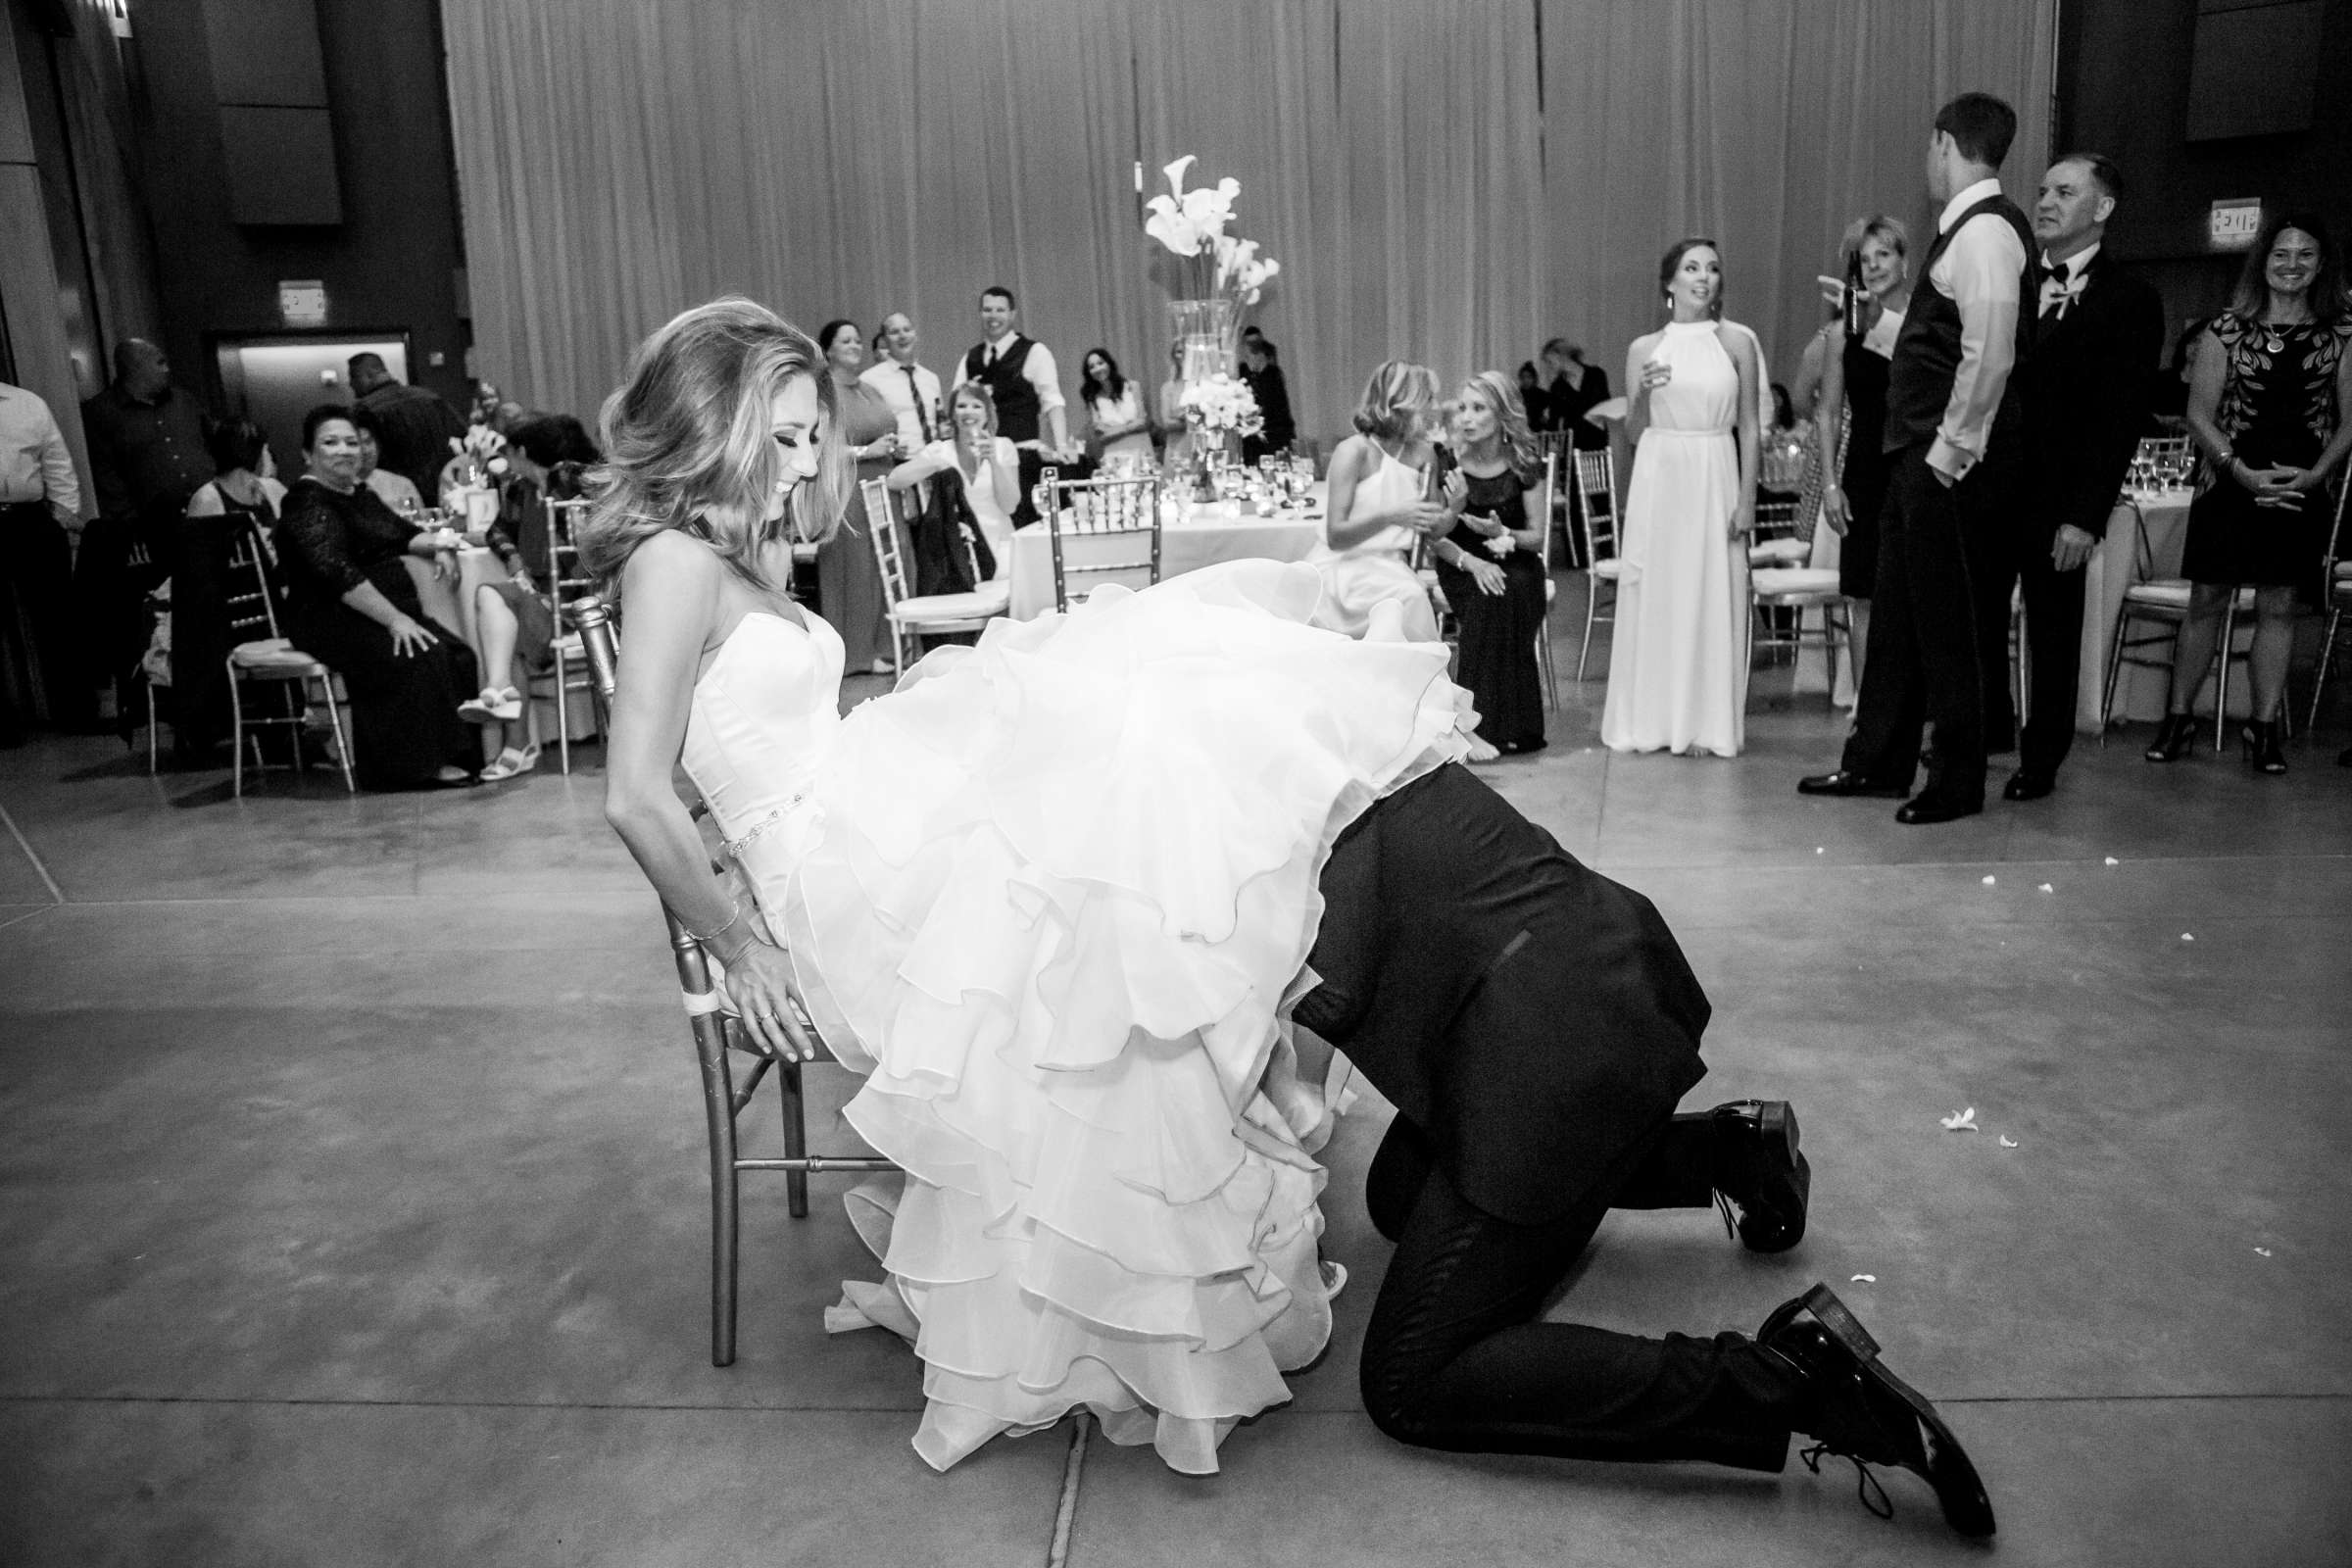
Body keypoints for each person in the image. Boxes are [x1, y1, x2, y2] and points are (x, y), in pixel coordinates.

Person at [586, 297, 1462, 1475]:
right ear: (708, 429)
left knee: (1110, 758)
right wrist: (739, 943)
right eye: (781, 439)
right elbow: (637, 793)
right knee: (1083, 872)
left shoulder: (735, 547)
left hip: (860, 818)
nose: (804, 466)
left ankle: (1248, 1078)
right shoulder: (672, 562)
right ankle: (1208, 1150)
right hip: (830, 896)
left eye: (810, 438)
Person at [1298, 759, 1994, 1540]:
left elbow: (1279, 1091)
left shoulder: (1221, 856)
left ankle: (1789, 1380)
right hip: (1598, 959)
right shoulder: (1336, 737)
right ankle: (1730, 1154)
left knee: (1409, 1381)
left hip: (1545, 1056)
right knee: (1397, 1197)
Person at [1801, 93, 2033, 823]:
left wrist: (1948, 452)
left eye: (1929, 149)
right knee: (1899, 617)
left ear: (1944, 143)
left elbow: (1989, 354)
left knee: (1947, 627)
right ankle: (1877, 762)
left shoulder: (1986, 232)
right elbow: (1938, 345)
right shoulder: (1963, 231)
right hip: (1916, 460)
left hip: (1946, 464)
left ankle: (1958, 781)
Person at [2149, 213, 2352, 775]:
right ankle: (2179, 718)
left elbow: (2350, 423)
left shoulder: (2342, 334)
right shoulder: (2226, 329)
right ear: (2262, 262)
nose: (2291, 264)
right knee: (2207, 601)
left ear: (2321, 265)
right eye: (2281, 253)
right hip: (2228, 483)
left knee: (2279, 606)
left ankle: (2263, 729)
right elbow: (2198, 415)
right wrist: (2239, 471)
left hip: (2297, 487)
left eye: (2305, 254)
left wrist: (2313, 477)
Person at [1991, 154, 2166, 801]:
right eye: (2041, 191)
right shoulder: (2008, 281)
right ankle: (1980, 735)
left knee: (2053, 634)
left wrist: (2085, 515)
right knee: (1979, 621)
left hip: (2059, 500)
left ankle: (2042, 756)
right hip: (1991, 488)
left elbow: (2119, 419)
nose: (2044, 202)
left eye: (2064, 192)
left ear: (2102, 207)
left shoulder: (2130, 298)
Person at [1600, 239, 1762, 758]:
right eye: (1692, 268)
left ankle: (1707, 723)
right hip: (1660, 473)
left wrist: (1748, 498)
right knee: (1662, 593)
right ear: (1670, 282)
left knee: (1712, 589)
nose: (1704, 277)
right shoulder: (1644, 349)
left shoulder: (1738, 342)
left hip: (1715, 467)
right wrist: (1643, 393)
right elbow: (1632, 432)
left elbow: (1753, 427)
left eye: (1713, 268)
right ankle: (1653, 718)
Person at [273, 405, 483, 789]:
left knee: (457, 655)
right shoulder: (307, 501)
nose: (344, 450)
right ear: (308, 453)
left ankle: (458, 755)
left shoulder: (357, 493)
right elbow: (335, 572)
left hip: (381, 609)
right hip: (330, 614)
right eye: (330, 442)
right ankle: (411, 768)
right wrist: (394, 619)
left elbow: (402, 532)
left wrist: (440, 545)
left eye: (351, 442)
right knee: (417, 655)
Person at [80, 339, 211, 729]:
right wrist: (127, 529)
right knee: (160, 617)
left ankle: (210, 697)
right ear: (132, 367)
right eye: (159, 361)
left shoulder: (184, 401)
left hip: (201, 519)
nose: (167, 367)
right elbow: (107, 475)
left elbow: (207, 444)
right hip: (151, 530)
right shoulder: (102, 413)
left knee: (204, 605)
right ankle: (168, 703)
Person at [1814, 215, 1915, 688]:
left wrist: (1880, 322)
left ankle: (1925, 722)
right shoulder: (1840, 335)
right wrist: (1831, 485)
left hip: (1916, 468)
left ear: (1905, 261)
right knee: (1863, 597)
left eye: (1884, 254)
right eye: (1864, 258)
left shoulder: (1926, 320)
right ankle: (1866, 715)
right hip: (1862, 473)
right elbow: (1828, 413)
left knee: (1916, 596)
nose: (1873, 266)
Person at [1430, 372, 1548, 755]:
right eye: (1463, 407)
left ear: (1502, 414)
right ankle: (1472, 725)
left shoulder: (1525, 464)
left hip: (1516, 559)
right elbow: (1435, 535)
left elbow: (1538, 537)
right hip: (1460, 563)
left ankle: (1512, 725)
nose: (1466, 417)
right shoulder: (1448, 462)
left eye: (1478, 408)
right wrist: (1472, 559)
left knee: (1512, 588)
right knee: (1488, 595)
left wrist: (1504, 532)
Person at [172, 417, 286, 762]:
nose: (269, 455)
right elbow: (202, 574)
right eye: (264, 448)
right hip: (233, 608)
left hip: (276, 593)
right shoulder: (207, 499)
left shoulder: (272, 490)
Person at [1308, 362, 1447, 644]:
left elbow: (1432, 529)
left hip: (1391, 566)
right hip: (1342, 568)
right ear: (1404, 402)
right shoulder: (1354, 451)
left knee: (1410, 596)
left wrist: (1454, 506)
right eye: (1428, 398)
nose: (1435, 406)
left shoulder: (1424, 454)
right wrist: (1391, 516)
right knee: (1407, 598)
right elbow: (1336, 536)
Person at [813, 320, 907, 677]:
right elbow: (820, 447)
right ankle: (858, 654)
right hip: (850, 491)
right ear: (829, 350)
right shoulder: (824, 395)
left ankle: (890, 644)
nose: (855, 345)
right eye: (845, 340)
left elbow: (886, 430)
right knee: (857, 570)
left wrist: (893, 448)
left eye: (858, 339)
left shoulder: (869, 389)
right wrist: (866, 450)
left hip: (883, 488)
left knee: (891, 564)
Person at [0, 378, 89, 741]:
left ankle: (76, 712)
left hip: (30, 518)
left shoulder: (27, 403)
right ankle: (3, 725)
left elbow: (56, 461)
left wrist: (64, 513)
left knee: (58, 617)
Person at [952, 286, 1075, 526]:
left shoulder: (1035, 352)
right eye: (987, 310)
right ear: (980, 314)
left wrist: (1060, 444)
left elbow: (1053, 401)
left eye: (1000, 310)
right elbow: (955, 404)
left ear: (1012, 314)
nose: (993, 315)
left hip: (1022, 459)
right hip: (981, 461)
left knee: (1023, 524)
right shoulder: (970, 358)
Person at [887, 381, 1020, 577]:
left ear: (987, 414)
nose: (969, 412)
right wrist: (933, 463)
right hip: (956, 550)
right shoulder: (940, 450)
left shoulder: (1003, 447)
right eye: (961, 406)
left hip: (1001, 544)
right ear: (952, 414)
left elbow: (1009, 506)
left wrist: (993, 462)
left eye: (977, 406)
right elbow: (894, 480)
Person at [349, 354, 466, 504]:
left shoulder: (364, 410)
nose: (350, 384)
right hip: (448, 493)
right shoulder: (430, 397)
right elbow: (464, 439)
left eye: (353, 377)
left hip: (397, 500)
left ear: (369, 375)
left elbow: (363, 462)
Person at [1544, 338, 1613, 567]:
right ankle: (1579, 557)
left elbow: (1604, 404)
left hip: (1596, 444)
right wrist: (1555, 447)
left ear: (1561, 355)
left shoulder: (1596, 375)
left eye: (1550, 359)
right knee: (1573, 503)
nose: (1549, 365)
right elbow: (1555, 422)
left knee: (1602, 501)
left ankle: (1607, 551)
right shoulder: (1557, 387)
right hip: (1572, 448)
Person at [864, 312, 944, 455]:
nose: (902, 336)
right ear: (884, 340)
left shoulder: (931, 378)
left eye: (907, 330)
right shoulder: (870, 380)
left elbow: (940, 423)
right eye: (894, 332)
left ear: (915, 335)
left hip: (935, 459)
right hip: (899, 462)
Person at [1077, 348, 1153, 469]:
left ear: (1109, 363)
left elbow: (1143, 422)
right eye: (1092, 367)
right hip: (1114, 454)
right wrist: (1129, 427)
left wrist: (1114, 430)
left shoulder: (1132, 386)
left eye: (1101, 363)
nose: (1098, 369)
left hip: (1141, 448)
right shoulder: (1093, 398)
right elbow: (1102, 436)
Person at [350, 406, 425, 516]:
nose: (365, 451)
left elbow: (419, 526)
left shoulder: (401, 485)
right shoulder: (330, 490)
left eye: (368, 441)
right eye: (356, 443)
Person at [1239, 337, 1298, 464]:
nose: (1248, 360)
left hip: (1273, 436)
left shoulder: (1272, 375)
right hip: (1256, 437)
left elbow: (1275, 410)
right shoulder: (1248, 373)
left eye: (1249, 356)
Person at [1154, 341, 1193, 470]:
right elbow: (1166, 423)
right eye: (1179, 351)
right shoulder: (1168, 388)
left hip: (1198, 445)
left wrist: (1183, 417)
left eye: (1187, 351)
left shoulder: (1203, 384)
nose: (1184, 356)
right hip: (1176, 446)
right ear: (1174, 356)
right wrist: (1191, 420)